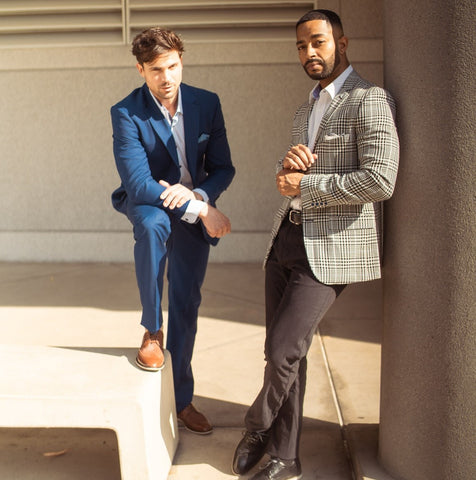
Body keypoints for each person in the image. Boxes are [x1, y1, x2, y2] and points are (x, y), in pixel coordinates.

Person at [232, 9, 399, 480]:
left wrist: (307, 186)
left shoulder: (370, 99)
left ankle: (257, 427)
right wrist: (290, 173)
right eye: (302, 46)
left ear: (341, 44)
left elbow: (381, 180)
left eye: (319, 42)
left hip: (331, 248)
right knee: (285, 353)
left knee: (284, 348)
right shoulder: (305, 108)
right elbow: (294, 179)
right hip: (286, 237)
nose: (310, 52)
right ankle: (287, 459)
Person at [111, 27, 235, 435]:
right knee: (149, 226)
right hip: (151, 201)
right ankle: (151, 330)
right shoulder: (126, 112)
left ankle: (182, 401)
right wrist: (201, 208)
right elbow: (138, 184)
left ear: (182, 60)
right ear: (141, 70)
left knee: (187, 300)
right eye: (156, 70)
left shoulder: (207, 103)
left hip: (191, 200)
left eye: (174, 66)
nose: (167, 78)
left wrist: (197, 195)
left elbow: (223, 168)